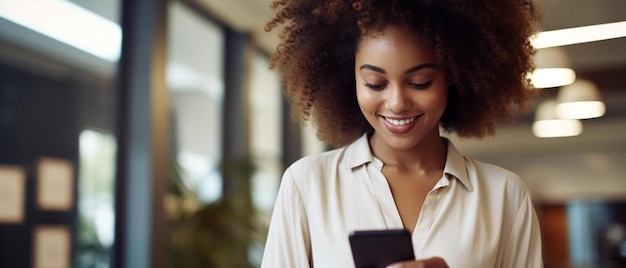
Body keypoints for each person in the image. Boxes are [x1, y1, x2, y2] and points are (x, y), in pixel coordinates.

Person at [261, 0, 543, 267]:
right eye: (375, 84)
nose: (397, 103)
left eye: (420, 83)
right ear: (352, 78)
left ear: (454, 74)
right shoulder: (307, 184)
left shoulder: (505, 195)